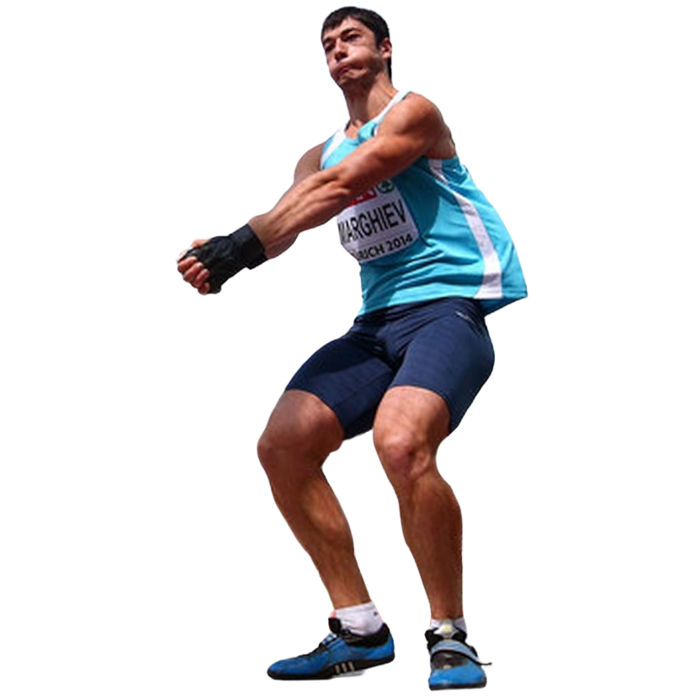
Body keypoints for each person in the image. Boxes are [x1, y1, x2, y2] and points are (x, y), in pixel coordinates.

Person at [176, 5, 527, 690]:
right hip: (375, 324)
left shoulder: (414, 112)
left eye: (352, 37)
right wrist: (222, 251)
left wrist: (240, 246)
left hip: (447, 311)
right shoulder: (316, 154)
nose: (338, 50)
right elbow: (288, 222)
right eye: (327, 44)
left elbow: (341, 189)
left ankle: (450, 635)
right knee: (282, 445)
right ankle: (360, 629)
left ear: (386, 47)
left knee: (401, 443)